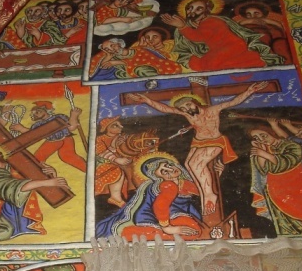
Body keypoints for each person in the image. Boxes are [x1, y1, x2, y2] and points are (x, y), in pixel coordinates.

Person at [128, 81, 268, 216]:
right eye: (183, 109)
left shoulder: (213, 110)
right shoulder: (187, 115)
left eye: (188, 105)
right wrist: (147, 100)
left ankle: (209, 194)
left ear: (194, 102)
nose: (187, 109)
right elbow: (166, 108)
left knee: (197, 164)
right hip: (198, 142)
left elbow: (233, 102)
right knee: (189, 164)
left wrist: (250, 91)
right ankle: (202, 193)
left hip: (215, 141)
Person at [248, 126, 302, 236]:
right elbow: (263, 169)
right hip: (275, 191)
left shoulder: (290, 145)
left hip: (297, 186)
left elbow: (288, 161)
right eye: (256, 138)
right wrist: (262, 151)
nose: (261, 139)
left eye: (263, 135)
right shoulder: (265, 149)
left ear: (272, 133)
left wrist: (265, 154)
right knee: (285, 221)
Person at [160, 0, 283, 71]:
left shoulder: (212, 20)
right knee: (197, 62)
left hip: (231, 47)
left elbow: (199, 37)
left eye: (199, 8)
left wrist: (182, 26)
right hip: (218, 50)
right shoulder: (181, 29)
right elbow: (183, 50)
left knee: (211, 62)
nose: (192, 11)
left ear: (207, 11)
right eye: (189, 8)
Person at [96, 154, 202, 240]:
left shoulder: (184, 183)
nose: (171, 169)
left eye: (168, 165)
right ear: (158, 177)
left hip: (170, 216)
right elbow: (160, 205)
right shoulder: (168, 185)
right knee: (194, 232)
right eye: (164, 171)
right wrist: (167, 228)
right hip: (160, 219)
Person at [10, 101, 87, 173]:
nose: (35, 114)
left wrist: (74, 115)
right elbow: (33, 134)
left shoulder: (58, 117)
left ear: (46, 110)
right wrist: (20, 128)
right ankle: (40, 172)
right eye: (34, 113)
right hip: (52, 141)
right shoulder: (38, 124)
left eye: (38, 111)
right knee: (39, 158)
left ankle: (88, 170)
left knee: (66, 157)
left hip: (65, 139)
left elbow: (71, 127)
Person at [88, 38, 181, 80]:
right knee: (120, 74)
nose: (112, 49)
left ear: (119, 44)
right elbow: (101, 71)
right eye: (107, 49)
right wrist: (108, 57)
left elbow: (150, 62)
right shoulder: (113, 58)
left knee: (140, 70)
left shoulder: (138, 50)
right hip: (131, 80)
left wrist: (120, 62)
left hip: (153, 73)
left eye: (112, 46)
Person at [94, 117, 134, 207]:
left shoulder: (122, 137)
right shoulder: (100, 139)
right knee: (116, 170)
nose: (121, 126)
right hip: (103, 163)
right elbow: (102, 152)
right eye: (115, 125)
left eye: (120, 125)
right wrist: (116, 159)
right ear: (107, 128)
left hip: (121, 161)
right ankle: (115, 198)